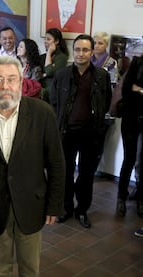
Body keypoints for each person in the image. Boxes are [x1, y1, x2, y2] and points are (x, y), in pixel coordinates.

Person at [0, 56, 65, 276]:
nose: (5, 86)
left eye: (11, 79)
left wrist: (55, 204)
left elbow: (56, 163)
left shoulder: (42, 113)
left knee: (29, 267)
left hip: (31, 204)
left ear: (21, 82)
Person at [50, 34, 112, 228]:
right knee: (66, 173)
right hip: (67, 132)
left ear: (92, 52)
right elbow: (54, 102)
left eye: (85, 50)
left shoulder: (102, 76)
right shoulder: (62, 75)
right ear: (73, 51)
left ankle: (82, 209)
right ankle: (66, 208)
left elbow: (106, 101)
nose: (81, 53)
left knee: (86, 174)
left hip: (90, 133)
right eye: (77, 49)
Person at [116, 54, 143, 217]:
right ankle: (121, 197)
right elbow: (126, 90)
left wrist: (139, 89)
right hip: (131, 118)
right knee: (129, 159)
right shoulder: (137, 62)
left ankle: (140, 198)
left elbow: (134, 89)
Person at [40, 28, 69, 102]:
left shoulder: (62, 57)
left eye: (48, 39)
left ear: (56, 41)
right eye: (45, 39)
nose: (45, 42)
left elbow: (49, 71)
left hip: (52, 93)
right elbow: (39, 74)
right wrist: (44, 74)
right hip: (40, 91)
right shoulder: (42, 56)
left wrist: (49, 53)